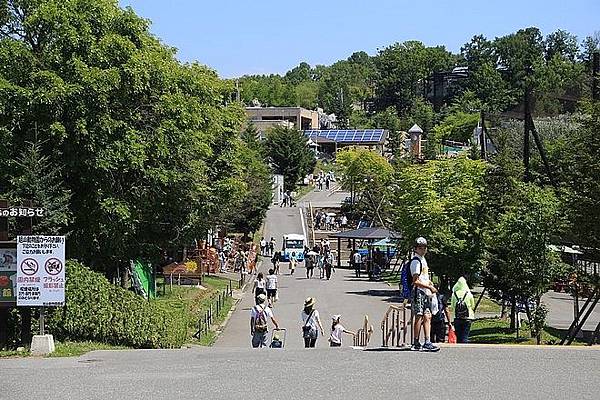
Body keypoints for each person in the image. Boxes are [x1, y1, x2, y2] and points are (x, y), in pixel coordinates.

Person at [410, 237, 440, 352]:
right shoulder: (416, 262)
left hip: (426, 292)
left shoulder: (423, 260)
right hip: (419, 292)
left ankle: (427, 341)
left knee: (428, 316)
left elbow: (423, 277)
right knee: (419, 315)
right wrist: (429, 286)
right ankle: (416, 342)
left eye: (424, 247)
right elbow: (415, 281)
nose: (423, 250)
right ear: (416, 249)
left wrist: (429, 283)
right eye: (420, 248)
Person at [451, 276, 475, 344]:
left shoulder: (454, 294)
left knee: (458, 336)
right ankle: (465, 349)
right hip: (468, 317)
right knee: (465, 335)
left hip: (457, 317)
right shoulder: (469, 294)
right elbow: (472, 306)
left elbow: (452, 306)